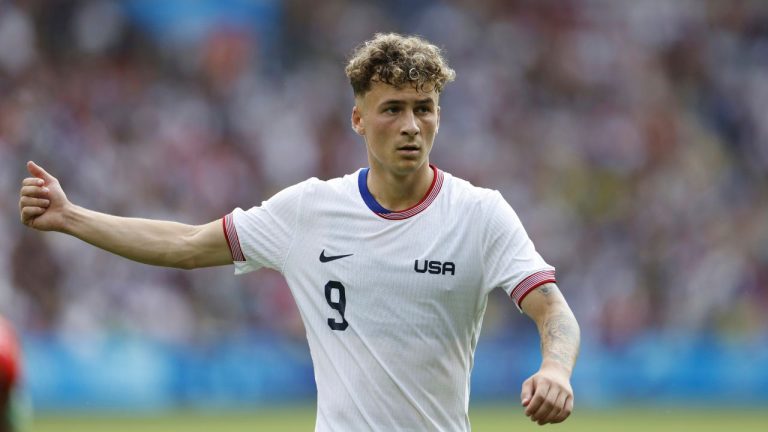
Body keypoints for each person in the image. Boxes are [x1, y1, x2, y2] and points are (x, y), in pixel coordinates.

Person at [19, 33, 580, 430]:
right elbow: (187, 246)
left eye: (424, 108)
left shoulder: (480, 213)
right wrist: (72, 217)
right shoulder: (309, 210)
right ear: (358, 119)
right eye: (392, 109)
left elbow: (552, 309)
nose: (410, 126)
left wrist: (555, 367)